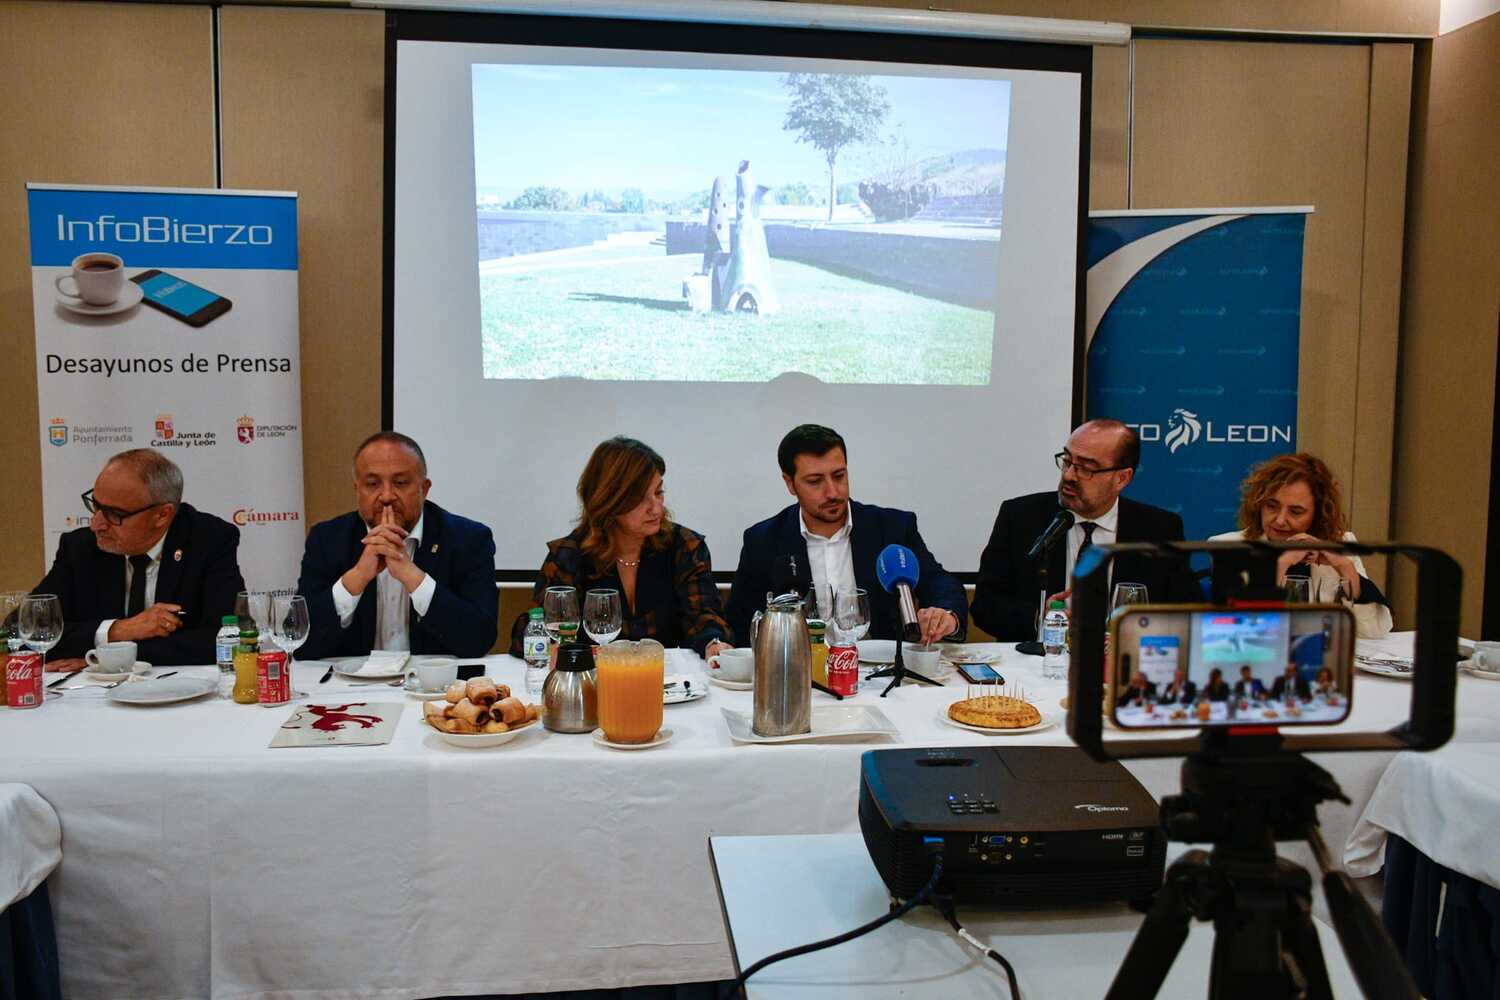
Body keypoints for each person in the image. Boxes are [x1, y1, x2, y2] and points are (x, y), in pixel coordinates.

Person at [724, 425, 966, 648]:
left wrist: (945, 614)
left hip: (878, 675)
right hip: (800, 674)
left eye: (839, 476)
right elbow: (740, 622)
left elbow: (940, 583)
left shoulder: (893, 527)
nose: (832, 492)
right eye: (815, 481)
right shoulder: (763, 540)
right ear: (790, 484)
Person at [971, 419, 1198, 642]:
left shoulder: (1159, 529)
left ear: (1122, 478)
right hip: (1038, 667)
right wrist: (1041, 616)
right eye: (1067, 461)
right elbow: (984, 605)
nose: (1069, 475)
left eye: (1086, 468)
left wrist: (1133, 633)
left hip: (1117, 667)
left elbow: (1184, 613)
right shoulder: (1021, 517)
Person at [509, 437, 730, 658]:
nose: (656, 508)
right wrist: (551, 645)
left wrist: (713, 643)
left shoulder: (684, 545)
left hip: (666, 681)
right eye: (641, 499)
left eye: (658, 493)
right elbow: (531, 633)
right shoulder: (570, 554)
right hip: (594, 682)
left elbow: (704, 617)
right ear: (610, 501)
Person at [29, 449, 244, 668]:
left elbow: (223, 638)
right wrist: (118, 630)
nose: (96, 524)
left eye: (114, 514)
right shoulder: (80, 548)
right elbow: (27, 632)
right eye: (95, 505)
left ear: (162, 515)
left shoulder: (209, 540)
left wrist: (104, 657)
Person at [296, 432, 498, 659]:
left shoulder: (468, 539)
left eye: (400, 483)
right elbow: (301, 644)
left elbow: (479, 639)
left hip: (433, 688)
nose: (386, 496)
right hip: (349, 689)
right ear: (357, 490)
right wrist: (357, 578)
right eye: (372, 484)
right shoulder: (327, 539)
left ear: (425, 488)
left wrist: (413, 577)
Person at [1210, 452, 1392, 638]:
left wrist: (1344, 567)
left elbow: (1374, 632)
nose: (1280, 520)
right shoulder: (1227, 548)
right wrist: (1281, 564)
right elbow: (1238, 634)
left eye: (1295, 511)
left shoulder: (1342, 543)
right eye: (1271, 506)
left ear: (1318, 514)